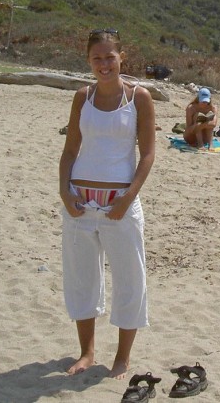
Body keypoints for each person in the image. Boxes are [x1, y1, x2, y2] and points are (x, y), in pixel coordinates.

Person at [58, 28, 156, 379]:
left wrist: (127, 199)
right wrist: (64, 193)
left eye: (109, 57)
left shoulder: (139, 97)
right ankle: (86, 352)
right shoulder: (82, 97)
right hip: (80, 204)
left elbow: (147, 155)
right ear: (88, 60)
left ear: (121, 57)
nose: (104, 64)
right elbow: (70, 151)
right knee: (81, 279)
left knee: (130, 280)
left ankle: (122, 358)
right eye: (97, 58)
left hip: (121, 206)